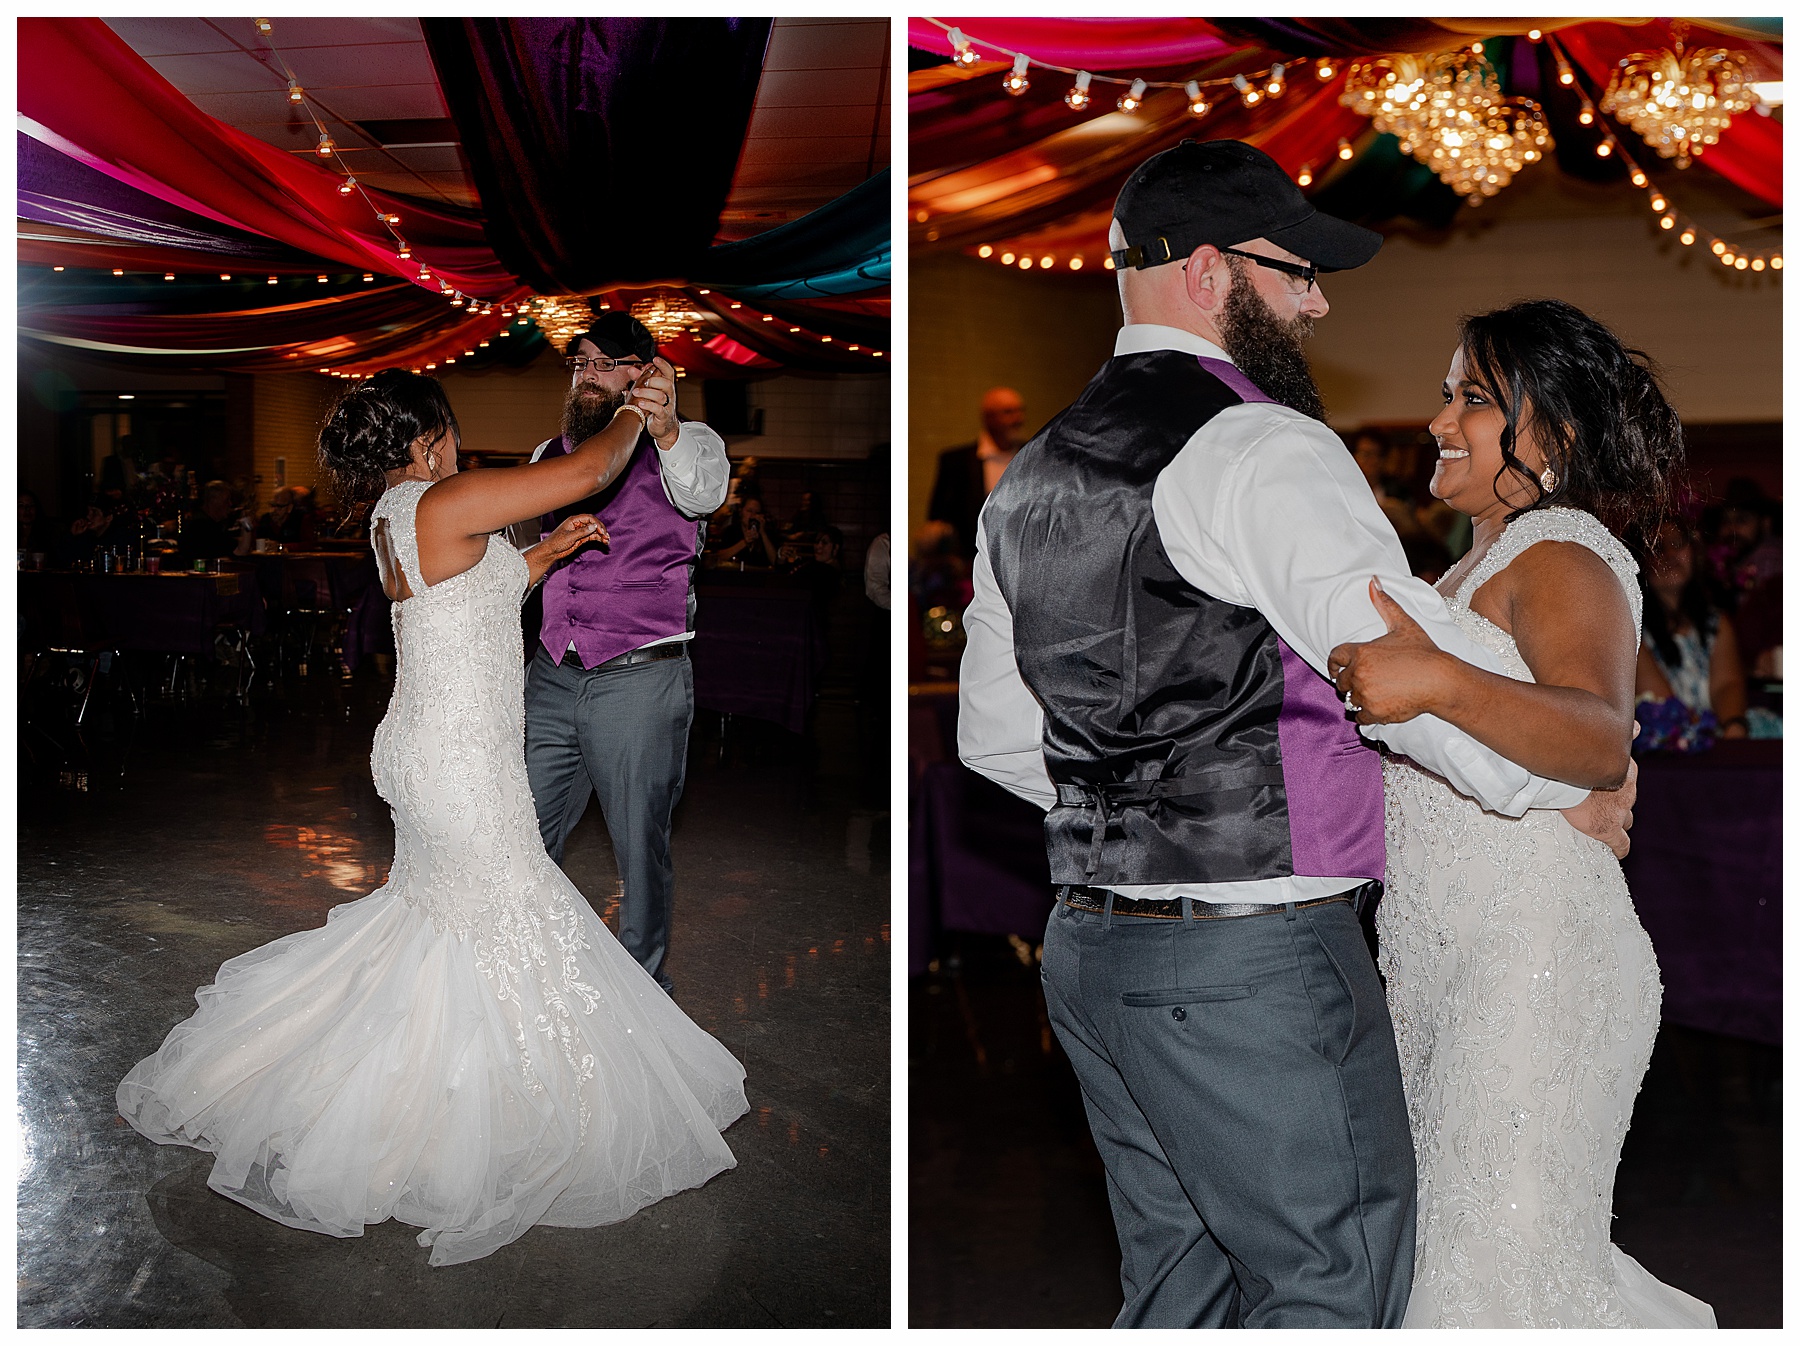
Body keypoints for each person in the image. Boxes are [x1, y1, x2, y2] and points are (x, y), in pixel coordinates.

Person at [958, 139, 1635, 1329]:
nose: (1319, 299)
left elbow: (1000, 741)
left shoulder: (1027, 478)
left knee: (1180, 1287)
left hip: (1087, 952)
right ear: (1211, 270)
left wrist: (1137, 822)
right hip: (1250, 963)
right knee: (1332, 1287)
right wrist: (1554, 784)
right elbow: (1400, 667)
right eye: (1298, 271)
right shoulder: (1264, 444)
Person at [117, 369, 747, 1266]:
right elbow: (586, 471)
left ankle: (420, 1085)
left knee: (443, 923)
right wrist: (634, 412)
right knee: (507, 918)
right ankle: (476, 1117)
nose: (456, 445)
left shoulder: (393, 518)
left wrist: (546, 556)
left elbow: (469, 600)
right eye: (449, 431)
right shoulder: (446, 498)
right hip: (458, 765)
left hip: (427, 752)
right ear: (429, 438)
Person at [1330, 299, 1714, 1327]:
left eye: (1473, 400)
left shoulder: (1561, 549)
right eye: (1445, 394)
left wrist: (1435, 678)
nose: (1437, 420)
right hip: (1444, 965)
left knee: (1490, 1280)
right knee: (1459, 1269)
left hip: (1534, 967)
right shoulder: (1470, 568)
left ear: (1556, 434)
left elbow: (1597, 733)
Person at [515, 313, 731, 995]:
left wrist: (665, 428)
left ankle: (642, 988)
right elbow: (524, 552)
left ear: (644, 373)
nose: (587, 374)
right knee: (522, 833)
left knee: (639, 847)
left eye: (606, 363)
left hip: (639, 679)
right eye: (580, 363)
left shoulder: (687, 444)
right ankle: (526, 970)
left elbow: (705, 493)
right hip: (551, 674)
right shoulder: (548, 453)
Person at [1637, 517, 1749, 738]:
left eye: (1677, 544)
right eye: (1658, 547)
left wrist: (1733, 726)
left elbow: (1727, 685)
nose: (1669, 554)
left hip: (1716, 734)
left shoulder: (1715, 621)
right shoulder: (1630, 628)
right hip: (1663, 741)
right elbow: (1660, 703)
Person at [927, 386, 1026, 558]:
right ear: (989, 418)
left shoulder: (1033, 456)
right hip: (971, 561)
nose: (1018, 419)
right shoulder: (956, 461)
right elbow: (939, 516)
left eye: (1020, 411)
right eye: (1008, 412)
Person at [178, 480, 253, 564]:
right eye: (226, 500)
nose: (230, 504)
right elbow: (241, 551)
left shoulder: (200, 522)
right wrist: (246, 522)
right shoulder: (204, 527)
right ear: (214, 500)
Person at [708, 496, 780, 569]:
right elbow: (720, 557)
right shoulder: (731, 531)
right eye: (749, 511)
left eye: (757, 512)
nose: (753, 516)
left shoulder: (767, 533)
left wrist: (763, 533)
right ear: (741, 511)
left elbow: (775, 561)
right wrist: (745, 542)